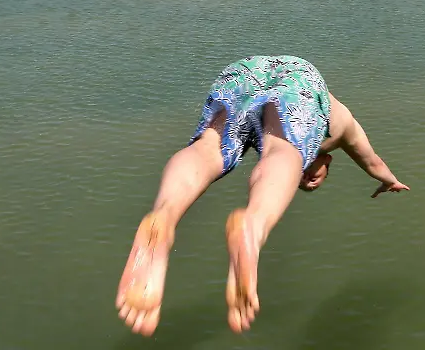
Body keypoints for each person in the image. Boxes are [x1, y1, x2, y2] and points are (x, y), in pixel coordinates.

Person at [116, 56, 410, 337]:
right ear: (327, 160)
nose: (307, 178)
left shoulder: (327, 126)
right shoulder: (342, 126)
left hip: (242, 73)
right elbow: (373, 163)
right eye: (311, 174)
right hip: (298, 79)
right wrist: (391, 182)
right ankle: (253, 228)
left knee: (209, 148)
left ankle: (164, 215)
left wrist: (386, 179)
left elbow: (373, 165)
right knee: (284, 150)